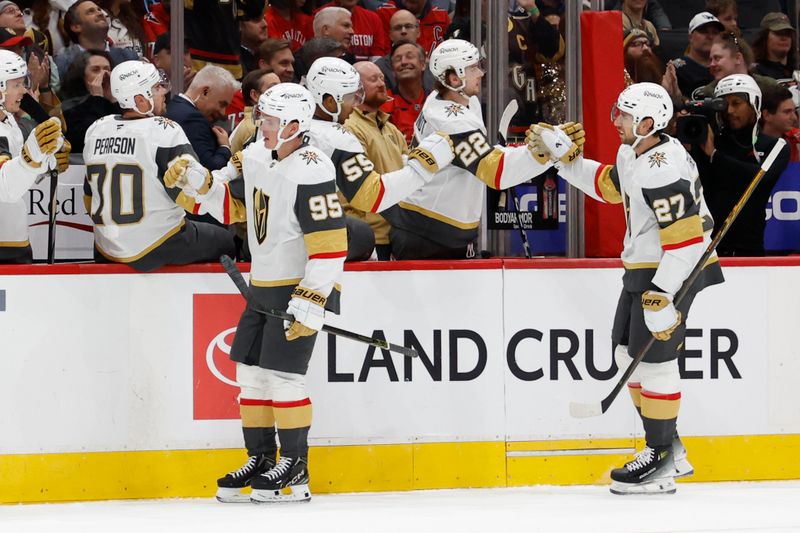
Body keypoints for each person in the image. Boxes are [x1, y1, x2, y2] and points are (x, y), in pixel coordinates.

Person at [530, 82, 724, 494]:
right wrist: (566, 161)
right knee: (626, 353)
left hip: (675, 267)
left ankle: (660, 457)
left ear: (648, 122)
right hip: (645, 264)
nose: (614, 119)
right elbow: (610, 187)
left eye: (623, 114)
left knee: (654, 363)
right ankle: (670, 446)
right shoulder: (632, 151)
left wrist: (663, 294)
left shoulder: (664, 165)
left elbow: (687, 238)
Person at [165, 84, 344, 503]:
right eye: (262, 117)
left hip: (296, 288)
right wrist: (194, 179)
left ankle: (295, 468)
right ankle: (262, 458)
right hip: (262, 286)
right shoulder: (259, 157)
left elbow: (331, 244)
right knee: (251, 375)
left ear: (294, 126)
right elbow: (226, 206)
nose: (260, 126)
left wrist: (311, 300)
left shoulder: (314, 168)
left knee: (284, 377)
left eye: (269, 121)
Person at [384, 39, 554, 259]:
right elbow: (496, 172)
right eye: (473, 68)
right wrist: (546, 151)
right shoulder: (449, 121)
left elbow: (477, 156)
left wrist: (498, 152)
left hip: (448, 229)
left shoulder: (448, 98)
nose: (481, 73)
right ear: (454, 78)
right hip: (426, 234)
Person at [83, 60, 235, 270]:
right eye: (156, 88)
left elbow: (89, 198)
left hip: (105, 248)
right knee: (226, 240)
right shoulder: (165, 130)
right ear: (140, 100)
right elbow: (193, 196)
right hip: (159, 246)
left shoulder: (96, 129)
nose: (164, 91)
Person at [304, 56, 456, 260]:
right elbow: (371, 195)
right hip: (321, 251)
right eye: (350, 98)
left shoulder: (277, 131)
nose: (354, 105)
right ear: (329, 101)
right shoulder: (335, 137)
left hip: (279, 252)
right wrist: (423, 165)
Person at [690, 74, 790, 256]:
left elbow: (759, 179)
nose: (729, 111)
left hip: (750, 247)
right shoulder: (707, 142)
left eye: (737, 103)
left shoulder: (775, 146)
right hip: (708, 248)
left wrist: (714, 155)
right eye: (724, 104)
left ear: (754, 104)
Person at [0, 49, 67, 264]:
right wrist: (32, 159)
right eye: (16, 85)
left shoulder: (9, 121)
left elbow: (21, 176)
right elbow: (5, 188)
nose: (24, 91)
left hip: (13, 237)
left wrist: (47, 162)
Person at [345, 61, 408, 259]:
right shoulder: (350, 127)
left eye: (382, 77)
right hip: (370, 239)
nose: (382, 83)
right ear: (356, 88)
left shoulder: (390, 127)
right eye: (373, 79)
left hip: (397, 233)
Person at [165, 65, 239, 171]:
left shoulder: (173, 105)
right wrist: (225, 147)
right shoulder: (192, 119)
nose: (223, 112)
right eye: (222, 104)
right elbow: (211, 170)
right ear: (205, 92)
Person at [58, 49, 121, 154]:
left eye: (107, 69)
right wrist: (97, 98)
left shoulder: (120, 102)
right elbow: (87, 138)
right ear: (82, 75)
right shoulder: (69, 107)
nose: (104, 75)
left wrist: (113, 100)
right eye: (96, 70)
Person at [55, 0, 138, 78]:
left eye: (99, 10)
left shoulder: (128, 57)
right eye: (91, 12)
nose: (100, 13)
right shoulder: (63, 62)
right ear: (76, 27)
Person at [666, 12, 724, 99]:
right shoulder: (677, 66)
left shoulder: (725, 65)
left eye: (715, 32)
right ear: (690, 37)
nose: (710, 36)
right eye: (704, 31)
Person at [752, 13, 796, 81]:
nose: (784, 38)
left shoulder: (796, 68)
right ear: (764, 37)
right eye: (778, 33)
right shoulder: (756, 72)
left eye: (787, 34)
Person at [761, 85, 800, 161]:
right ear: (767, 115)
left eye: (794, 111)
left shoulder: (793, 135)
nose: (794, 118)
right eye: (787, 112)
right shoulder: (751, 144)